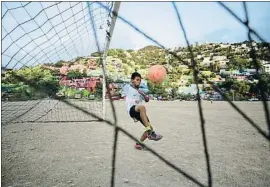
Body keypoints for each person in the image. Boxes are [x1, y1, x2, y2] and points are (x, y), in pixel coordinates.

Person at [124, 72, 163, 150]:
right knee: (142, 107)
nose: (139, 81)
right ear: (132, 80)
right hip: (132, 110)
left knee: (149, 128)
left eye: (140, 80)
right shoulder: (128, 87)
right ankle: (150, 133)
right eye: (137, 80)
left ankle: (138, 144)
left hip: (139, 112)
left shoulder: (140, 91)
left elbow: (147, 100)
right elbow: (126, 88)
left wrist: (144, 95)